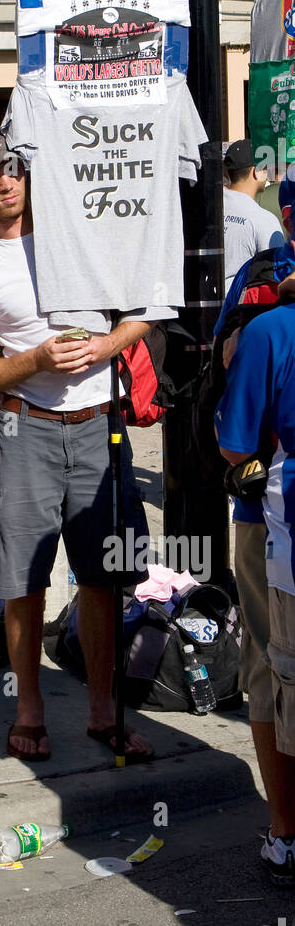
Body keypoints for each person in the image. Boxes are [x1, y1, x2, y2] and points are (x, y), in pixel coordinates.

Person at [0, 130, 154, 763]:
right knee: (22, 578)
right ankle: (30, 708)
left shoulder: (80, 233)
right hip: (24, 428)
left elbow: (146, 309)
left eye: (13, 169)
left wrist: (106, 347)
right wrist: (34, 358)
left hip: (100, 424)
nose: (6, 182)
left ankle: (100, 710)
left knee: (102, 577)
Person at [213, 168, 295, 885]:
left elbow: (236, 444)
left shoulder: (269, 328)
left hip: (270, 526)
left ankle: (284, 831)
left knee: (271, 673)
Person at [223, 138, 283, 291]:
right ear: (255, 172)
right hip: (242, 307)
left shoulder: (210, 208)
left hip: (205, 300)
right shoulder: (263, 219)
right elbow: (278, 272)